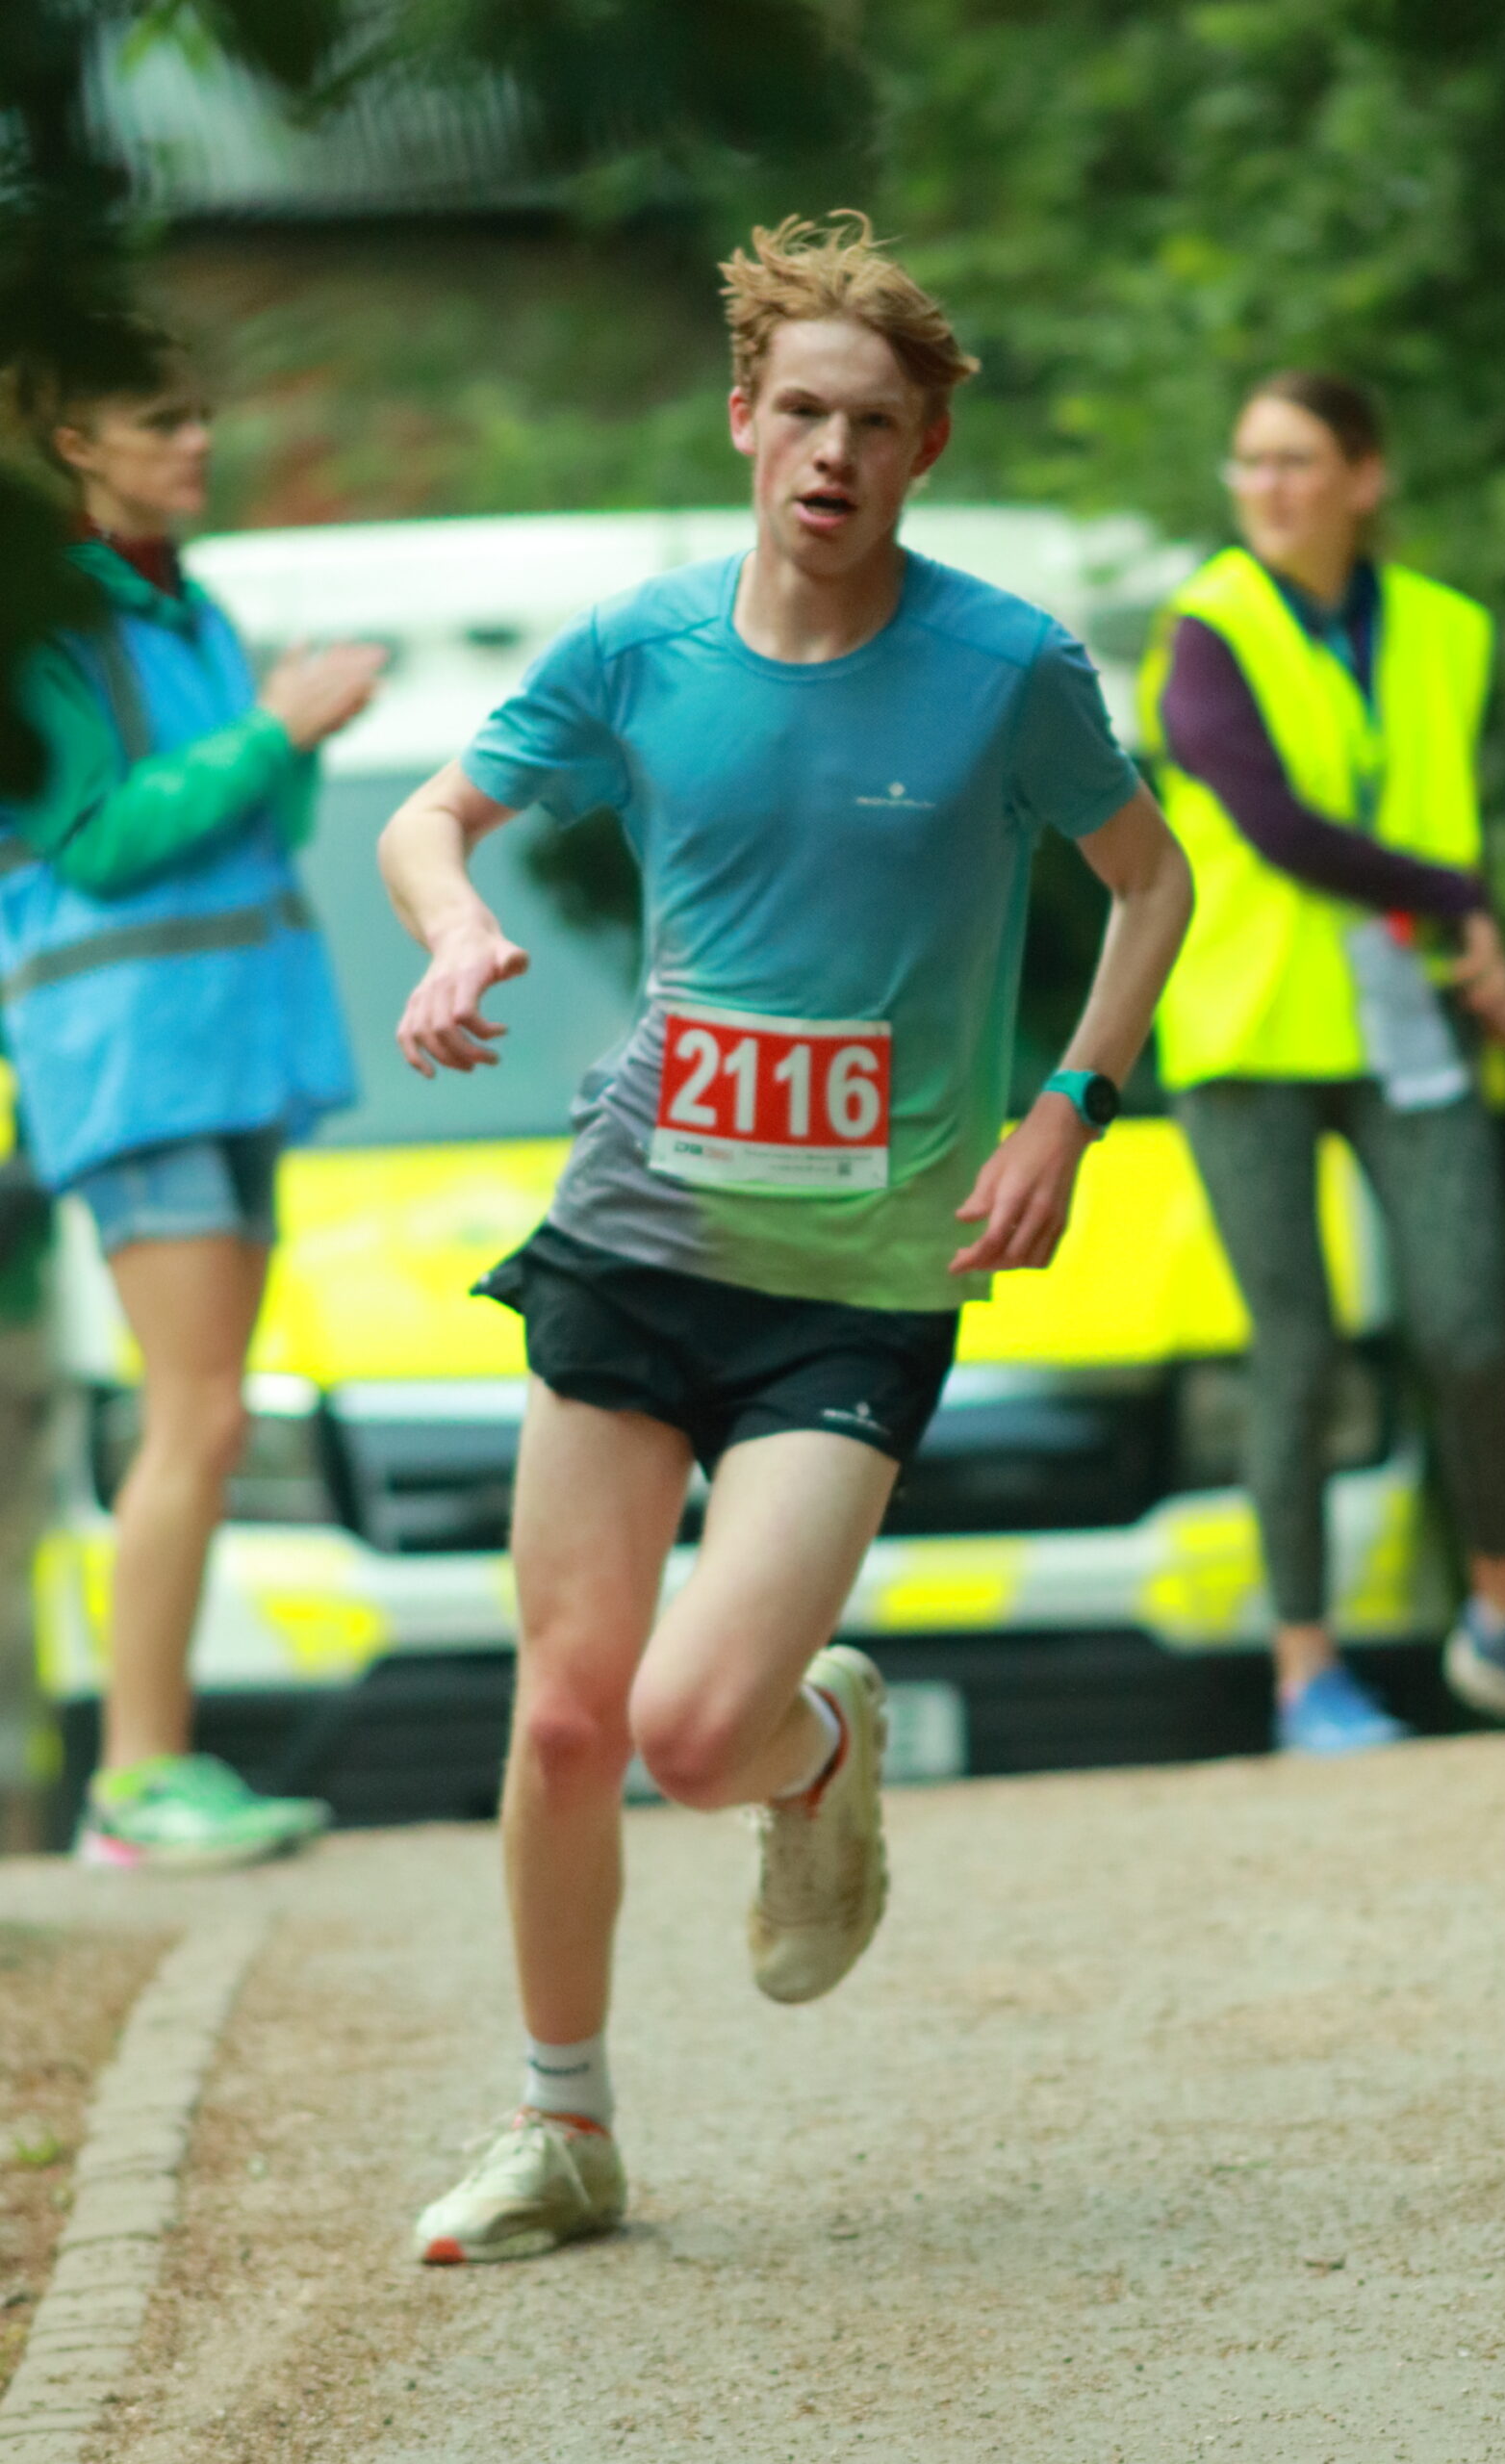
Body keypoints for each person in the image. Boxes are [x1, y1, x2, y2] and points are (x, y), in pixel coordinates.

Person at [379, 212, 1193, 2265]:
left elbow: (1152, 884)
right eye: (803, 412)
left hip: (857, 1281)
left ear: (922, 450)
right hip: (634, 1230)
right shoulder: (640, 650)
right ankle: (562, 2124)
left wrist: (1066, 1108)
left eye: (875, 424)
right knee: (565, 1715)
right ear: (744, 419)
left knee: (685, 1734)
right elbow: (428, 814)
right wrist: (454, 926)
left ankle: (816, 1751)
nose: (834, 453)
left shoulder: (1005, 668)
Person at [1141, 369, 1505, 1755]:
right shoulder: (1205, 631)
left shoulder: (1445, 629)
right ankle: (1309, 1672)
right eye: (1249, 462)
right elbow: (1277, 825)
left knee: (1473, 1326)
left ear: (1365, 477)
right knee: (1294, 1350)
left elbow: (1439, 811)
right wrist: (1459, 902)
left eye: (1296, 460)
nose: (1266, 487)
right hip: (1249, 1029)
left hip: (1406, 1015)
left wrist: (1476, 936)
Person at [0, 312, 384, 1863]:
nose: (199, 441)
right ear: (74, 445)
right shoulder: (40, 628)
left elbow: (258, 820)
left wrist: (293, 735)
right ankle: (136, 1780)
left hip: (232, 1049)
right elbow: (99, 841)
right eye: (162, 420)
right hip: (133, 1059)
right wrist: (279, 727)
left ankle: (155, 1767)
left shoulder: (196, 607)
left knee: (207, 1419)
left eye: (201, 413)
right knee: (197, 1414)